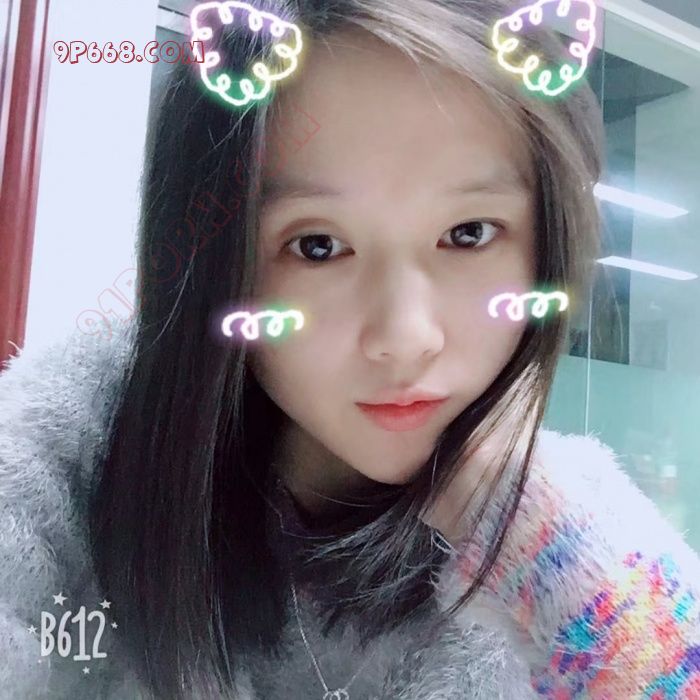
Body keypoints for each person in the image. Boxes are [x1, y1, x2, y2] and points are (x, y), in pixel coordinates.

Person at [1, 0, 699, 698]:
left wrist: (539, 538)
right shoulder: (78, 448)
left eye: (468, 234)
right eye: (318, 246)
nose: (406, 339)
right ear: (218, 265)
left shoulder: (580, 523)